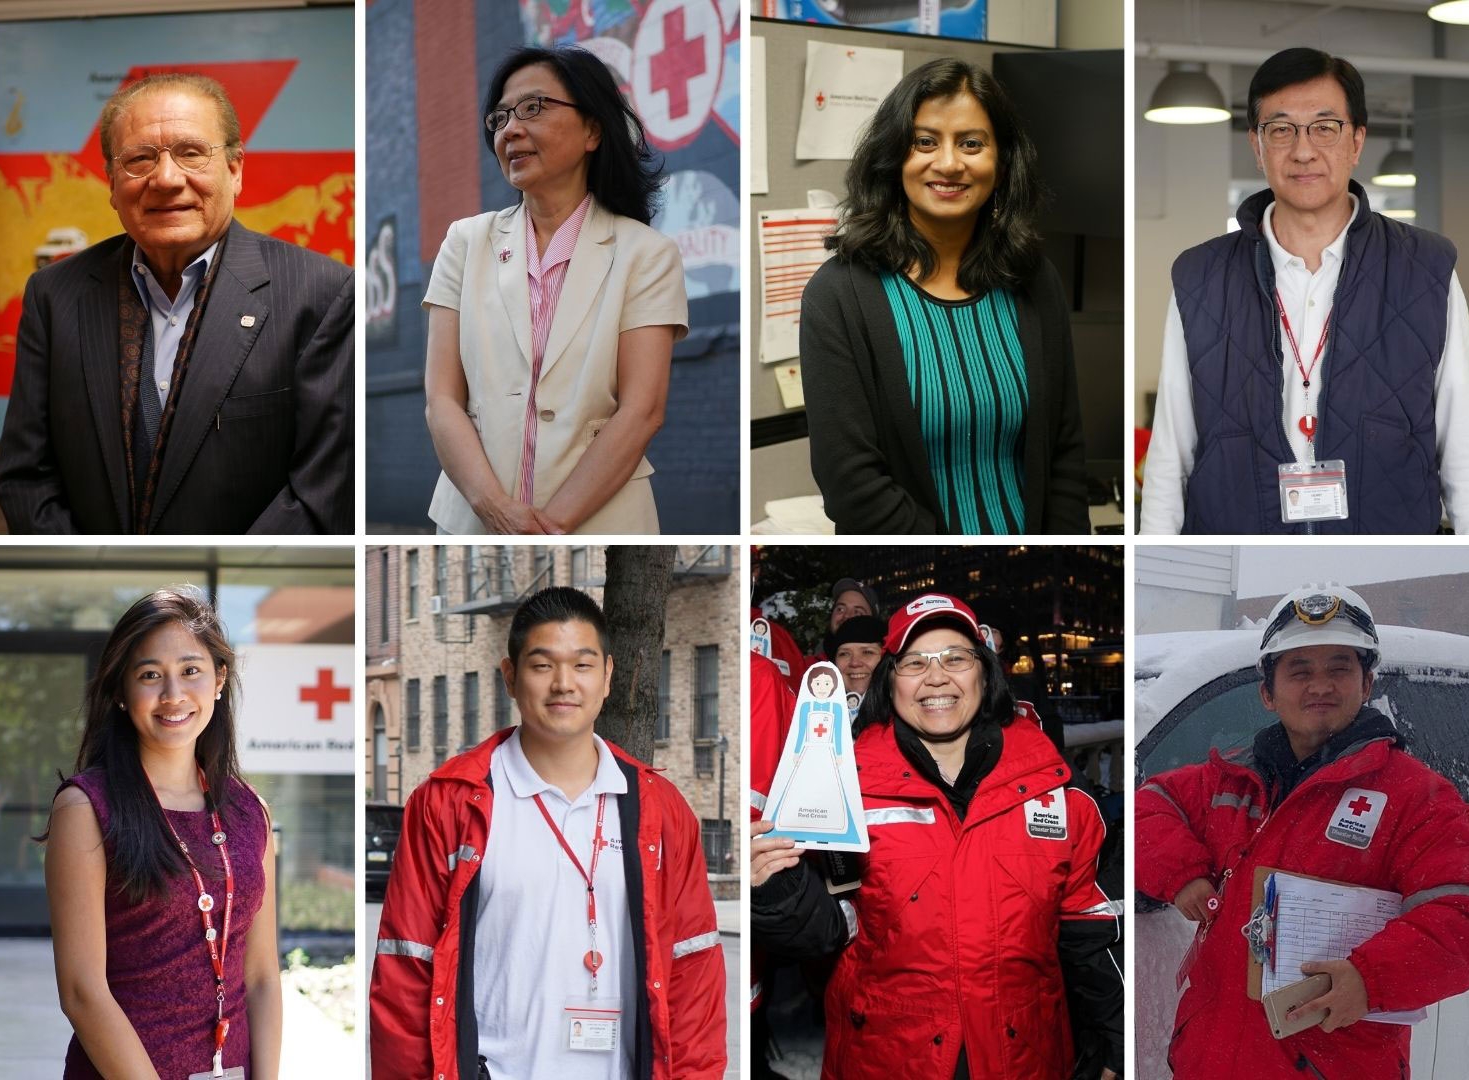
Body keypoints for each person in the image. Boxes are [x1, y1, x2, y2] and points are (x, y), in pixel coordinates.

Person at [1135, 583, 1469, 1077]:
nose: (1320, 685)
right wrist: (1182, 874)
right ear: (1267, 693)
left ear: (1366, 684)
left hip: (1329, 1062)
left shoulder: (1418, 798)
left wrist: (1369, 979)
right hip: (1210, 1059)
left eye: (1339, 668)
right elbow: (1149, 805)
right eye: (1299, 671)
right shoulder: (1231, 781)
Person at [751, 593, 1122, 1078]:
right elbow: (823, 935)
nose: (936, 676)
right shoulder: (843, 789)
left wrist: (1113, 1048)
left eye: (955, 657)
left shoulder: (1058, 796)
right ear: (891, 680)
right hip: (887, 1059)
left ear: (985, 673)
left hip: (1026, 1059)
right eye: (914, 662)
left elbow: (1088, 940)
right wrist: (775, 886)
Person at [1139, 48, 1469, 536]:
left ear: (1356, 141)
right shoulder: (1201, 275)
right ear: (1257, 144)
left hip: (1384, 547)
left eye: (1324, 127)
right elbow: (1171, 452)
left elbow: (1464, 444)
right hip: (1239, 544)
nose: (1303, 150)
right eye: (1281, 129)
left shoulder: (1425, 267)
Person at [369, 587, 725, 1079]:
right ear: (510, 677)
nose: (563, 684)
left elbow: (694, 972)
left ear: (607, 677)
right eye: (542, 665)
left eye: (582, 665)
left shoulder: (660, 809)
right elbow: (405, 970)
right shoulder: (448, 802)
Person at [0, 73, 353, 534]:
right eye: (140, 159)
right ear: (111, 184)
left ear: (234, 170)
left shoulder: (320, 293)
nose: (166, 179)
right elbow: (27, 477)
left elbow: (321, 492)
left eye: (191, 153)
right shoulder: (54, 294)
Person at [800, 58, 1089, 535]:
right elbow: (850, 484)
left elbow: (1064, 452)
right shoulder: (839, 295)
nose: (950, 163)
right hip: (920, 571)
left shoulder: (1034, 280)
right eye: (925, 142)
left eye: (972, 143)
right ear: (895, 157)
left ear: (1002, 160)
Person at [423, 45, 688, 535]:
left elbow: (642, 409)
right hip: (474, 524)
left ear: (593, 129)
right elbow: (441, 398)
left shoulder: (646, 254)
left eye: (535, 107)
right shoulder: (465, 242)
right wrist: (494, 509)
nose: (511, 129)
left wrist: (550, 527)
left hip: (603, 524)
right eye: (500, 117)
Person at [43, 587, 280, 1078]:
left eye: (191, 671)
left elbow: (260, 977)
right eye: (150, 675)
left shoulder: (249, 810)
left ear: (219, 679)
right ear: (120, 693)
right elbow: (83, 992)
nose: (173, 695)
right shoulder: (86, 809)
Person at [827, 614, 886, 704]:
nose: (854, 663)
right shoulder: (821, 713)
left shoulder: (907, 713)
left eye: (867, 652)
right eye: (844, 654)